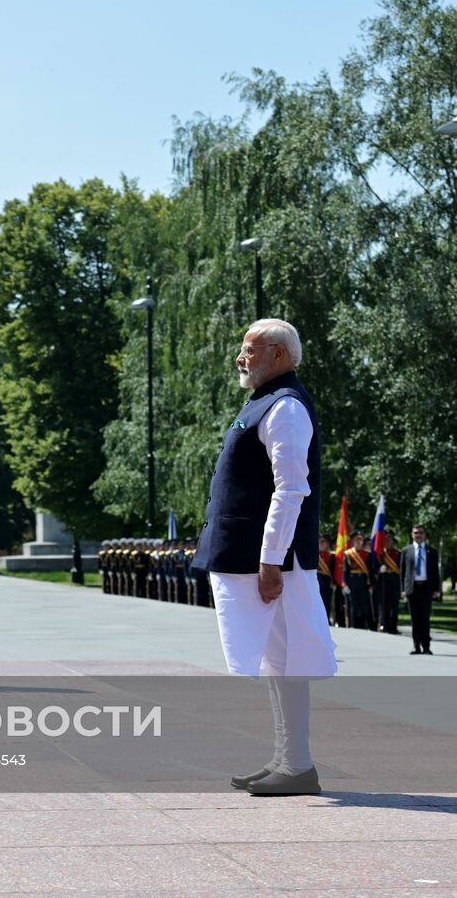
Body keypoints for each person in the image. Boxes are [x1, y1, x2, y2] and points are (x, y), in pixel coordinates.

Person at [197, 318, 335, 796]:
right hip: (256, 557)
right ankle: (285, 758)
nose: (241, 357)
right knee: (277, 661)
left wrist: (271, 560)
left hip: (271, 563)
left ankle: (297, 764)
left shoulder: (287, 408)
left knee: (287, 659)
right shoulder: (264, 403)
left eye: (250, 350)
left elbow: (291, 490)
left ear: (278, 354)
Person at [401, 525, 441, 655]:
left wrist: (436, 589)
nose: (418, 535)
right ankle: (416, 646)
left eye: (421, 533)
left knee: (425, 619)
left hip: (426, 588)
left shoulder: (432, 551)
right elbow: (402, 573)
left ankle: (427, 647)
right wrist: (402, 589)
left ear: (425, 535)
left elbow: (436, 572)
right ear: (412, 534)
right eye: (416, 533)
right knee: (415, 619)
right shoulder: (406, 551)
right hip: (412, 589)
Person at [343, 531, 373, 630]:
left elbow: (370, 571)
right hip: (353, 581)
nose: (359, 542)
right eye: (357, 539)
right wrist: (345, 584)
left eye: (361, 539)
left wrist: (371, 585)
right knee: (354, 604)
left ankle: (363, 625)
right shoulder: (348, 554)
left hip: (363, 582)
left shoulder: (367, 554)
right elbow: (345, 571)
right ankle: (354, 625)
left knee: (364, 604)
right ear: (353, 541)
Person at [374, 528, 402, 635]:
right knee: (383, 604)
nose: (387, 541)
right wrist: (379, 569)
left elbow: (401, 569)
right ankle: (383, 624)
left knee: (394, 605)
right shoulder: (380, 554)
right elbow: (374, 569)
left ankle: (393, 626)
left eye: (389, 539)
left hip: (394, 581)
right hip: (383, 581)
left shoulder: (398, 553)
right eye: (385, 539)